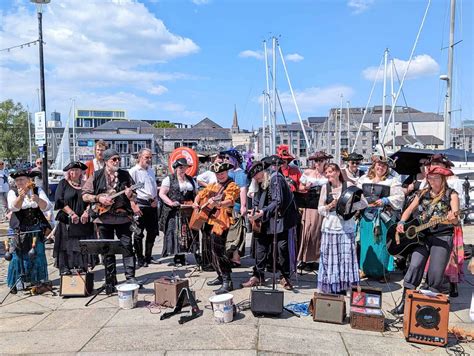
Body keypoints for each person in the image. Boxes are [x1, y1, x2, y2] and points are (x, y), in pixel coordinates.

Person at [391, 165, 459, 315]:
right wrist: (401, 223)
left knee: (435, 273)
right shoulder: (423, 193)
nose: (432, 181)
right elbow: (409, 210)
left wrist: (449, 219)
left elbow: (456, 220)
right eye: (430, 178)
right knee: (414, 266)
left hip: (442, 237)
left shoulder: (451, 195)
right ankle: (404, 303)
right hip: (421, 237)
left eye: (436, 178)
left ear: (443, 179)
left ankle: (428, 309)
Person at [82, 149, 138, 288]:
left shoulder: (125, 175)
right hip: (103, 219)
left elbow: (134, 196)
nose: (117, 161)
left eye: (118, 159)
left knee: (127, 247)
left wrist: (130, 194)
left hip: (123, 218)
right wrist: (98, 197)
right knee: (107, 250)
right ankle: (110, 280)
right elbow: (85, 195)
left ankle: (130, 278)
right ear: (106, 161)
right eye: (114, 159)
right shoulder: (96, 175)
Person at [244, 156, 299, 290]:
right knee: (260, 247)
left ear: (263, 171)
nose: (256, 179)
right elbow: (257, 199)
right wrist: (254, 212)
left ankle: (284, 276)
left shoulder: (275, 178)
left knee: (282, 249)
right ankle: (258, 276)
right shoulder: (259, 182)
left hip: (281, 220)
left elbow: (277, 201)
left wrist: (262, 212)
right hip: (266, 220)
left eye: (257, 175)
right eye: (254, 177)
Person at [317, 163, 367, 294]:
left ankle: (346, 286)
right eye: (326, 172)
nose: (328, 174)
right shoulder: (325, 187)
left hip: (346, 226)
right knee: (330, 257)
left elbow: (363, 203)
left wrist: (349, 206)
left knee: (346, 258)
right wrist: (329, 206)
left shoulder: (349, 186)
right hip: (330, 225)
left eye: (330, 171)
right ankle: (331, 286)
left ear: (338, 172)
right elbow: (320, 209)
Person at [194, 161, 240, 294]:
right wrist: (196, 203)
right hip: (209, 220)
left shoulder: (232, 185)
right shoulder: (213, 185)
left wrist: (217, 202)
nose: (220, 176)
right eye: (218, 174)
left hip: (222, 221)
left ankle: (227, 281)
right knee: (210, 250)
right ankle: (220, 275)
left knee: (219, 251)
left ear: (227, 172)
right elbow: (200, 194)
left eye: (222, 173)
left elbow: (230, 201)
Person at [357, 152, 404, 281]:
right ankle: (365, 269)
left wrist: (385, 200)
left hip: (384, 217)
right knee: (367, 243)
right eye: (379, 164)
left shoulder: (392, 181)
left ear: (387, 168)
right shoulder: (364, 179)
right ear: (374, 165)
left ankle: (383, 272)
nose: (381, 167)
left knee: (382, 244)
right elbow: (356, 194)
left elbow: (400, 197)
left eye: (384, 166)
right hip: (367, 216)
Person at [7, 170, 52, 292]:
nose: (19, 183)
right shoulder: (13, 192)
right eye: (17, 180)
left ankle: (37, 280)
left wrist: (37, 200)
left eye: (22, 180)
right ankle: (18, 281)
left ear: (28, 180)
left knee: (37, 254)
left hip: (36, 227)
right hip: (20, 229)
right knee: (18, 255)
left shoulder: (37, 190)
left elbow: (47, 206)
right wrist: (21, 196)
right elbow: (13, 207)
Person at [53, 161, 94, 275]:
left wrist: (87, 212)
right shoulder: (63, 183)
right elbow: (59, 200)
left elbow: (92, 200)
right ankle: (66, 267)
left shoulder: (86, 184)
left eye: (77, 170)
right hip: (66, 220)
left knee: (81, 245)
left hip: (83, 220)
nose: (74, 172)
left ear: (81, 171)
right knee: (66, 245)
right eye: (72, 170)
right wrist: (71, 213)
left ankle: (82, 267)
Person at [297, 151, 331, 271]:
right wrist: (306, 187)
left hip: (323, 206)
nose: (318, 163)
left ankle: (317, 259)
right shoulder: (308, 172)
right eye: (316, 161)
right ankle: (305, 258)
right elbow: (300, 187)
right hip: (309, 205)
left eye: (321, 160)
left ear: (325, 161)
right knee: (308, 231)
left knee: (320, 232)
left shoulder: (328, 174)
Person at [159, 158, 197, 260]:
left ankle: (186, 255)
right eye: (180, 167)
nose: (183, 170)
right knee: (176, 233)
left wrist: (196, 202)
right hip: (174, 211)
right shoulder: (169, 179)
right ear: (175, 168)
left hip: (188, 210)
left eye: (185, 167)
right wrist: (171, 203)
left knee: (187, 233)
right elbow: (162, 194)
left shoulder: (191, 179)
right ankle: (177, 257)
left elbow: (196, 194)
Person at [129, 148, 159, 267]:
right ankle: (139, 258)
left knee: (152, 232)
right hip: (140, 204)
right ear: (140, 157)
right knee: (138, 233)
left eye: (150, 157)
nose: (149, 159)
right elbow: (130, 190)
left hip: (152, 204)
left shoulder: (151, 171)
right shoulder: (133, 171)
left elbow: (154, 187)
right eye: (147, 157)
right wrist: (133, 205)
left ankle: (148, 256)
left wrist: (156, 199)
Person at [221, 148, 249, 267]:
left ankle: (236, 258)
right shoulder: (228, 172)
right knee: (227, 232)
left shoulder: (240, 173)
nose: (226, 160)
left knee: (236, 233)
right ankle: (228, 256)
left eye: (228, 158)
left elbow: (243, 190)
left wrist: (243, 206)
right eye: (225, 158)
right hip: (226, 206)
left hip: (236, 206)